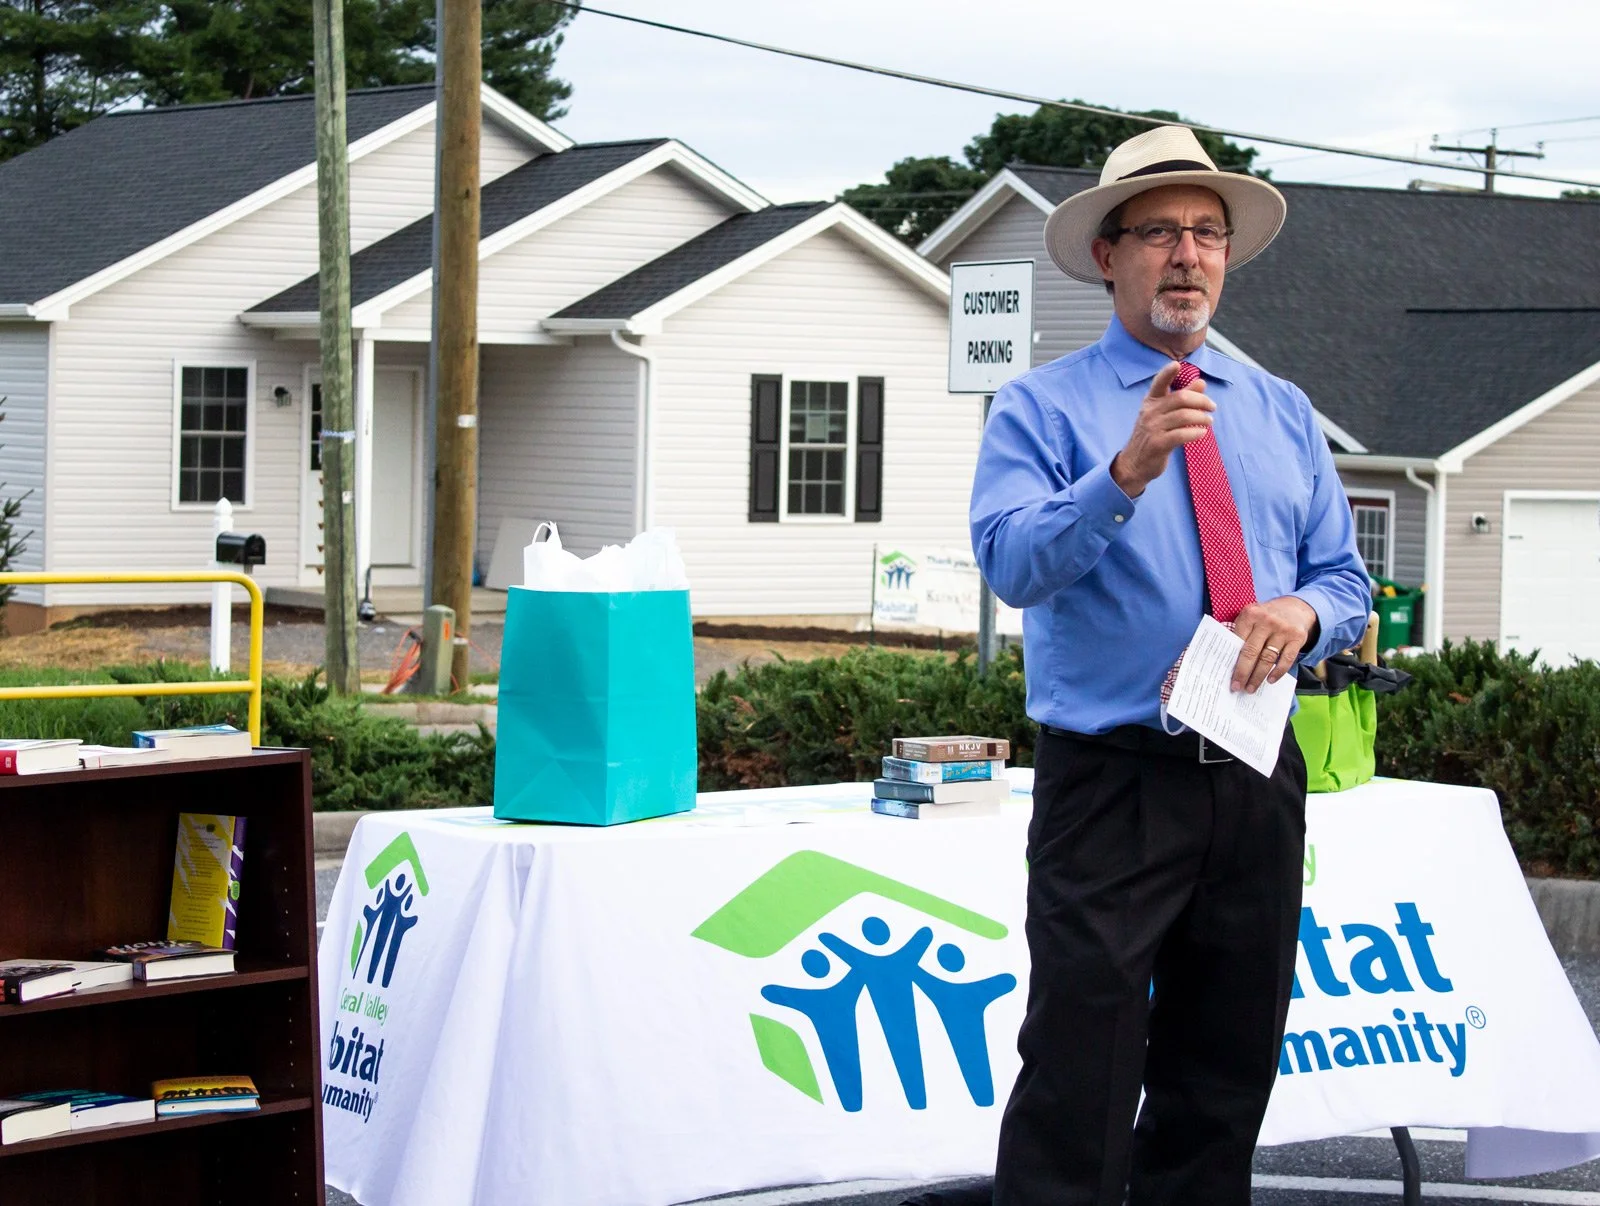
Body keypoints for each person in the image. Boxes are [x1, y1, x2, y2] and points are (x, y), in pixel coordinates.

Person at [966, 125, 1372, 1206]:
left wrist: (1301, 612)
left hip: (1251, 774)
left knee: (1222, 1071)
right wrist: (1126, 469)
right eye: (1159, 233)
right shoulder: (1042, 408)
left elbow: (1346, 581)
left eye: (1206, 233)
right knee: (1080, 1073)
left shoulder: (1280, 409)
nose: (1186, 255)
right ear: (1108, 254)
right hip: (1112, 780)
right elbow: (1012, 565)